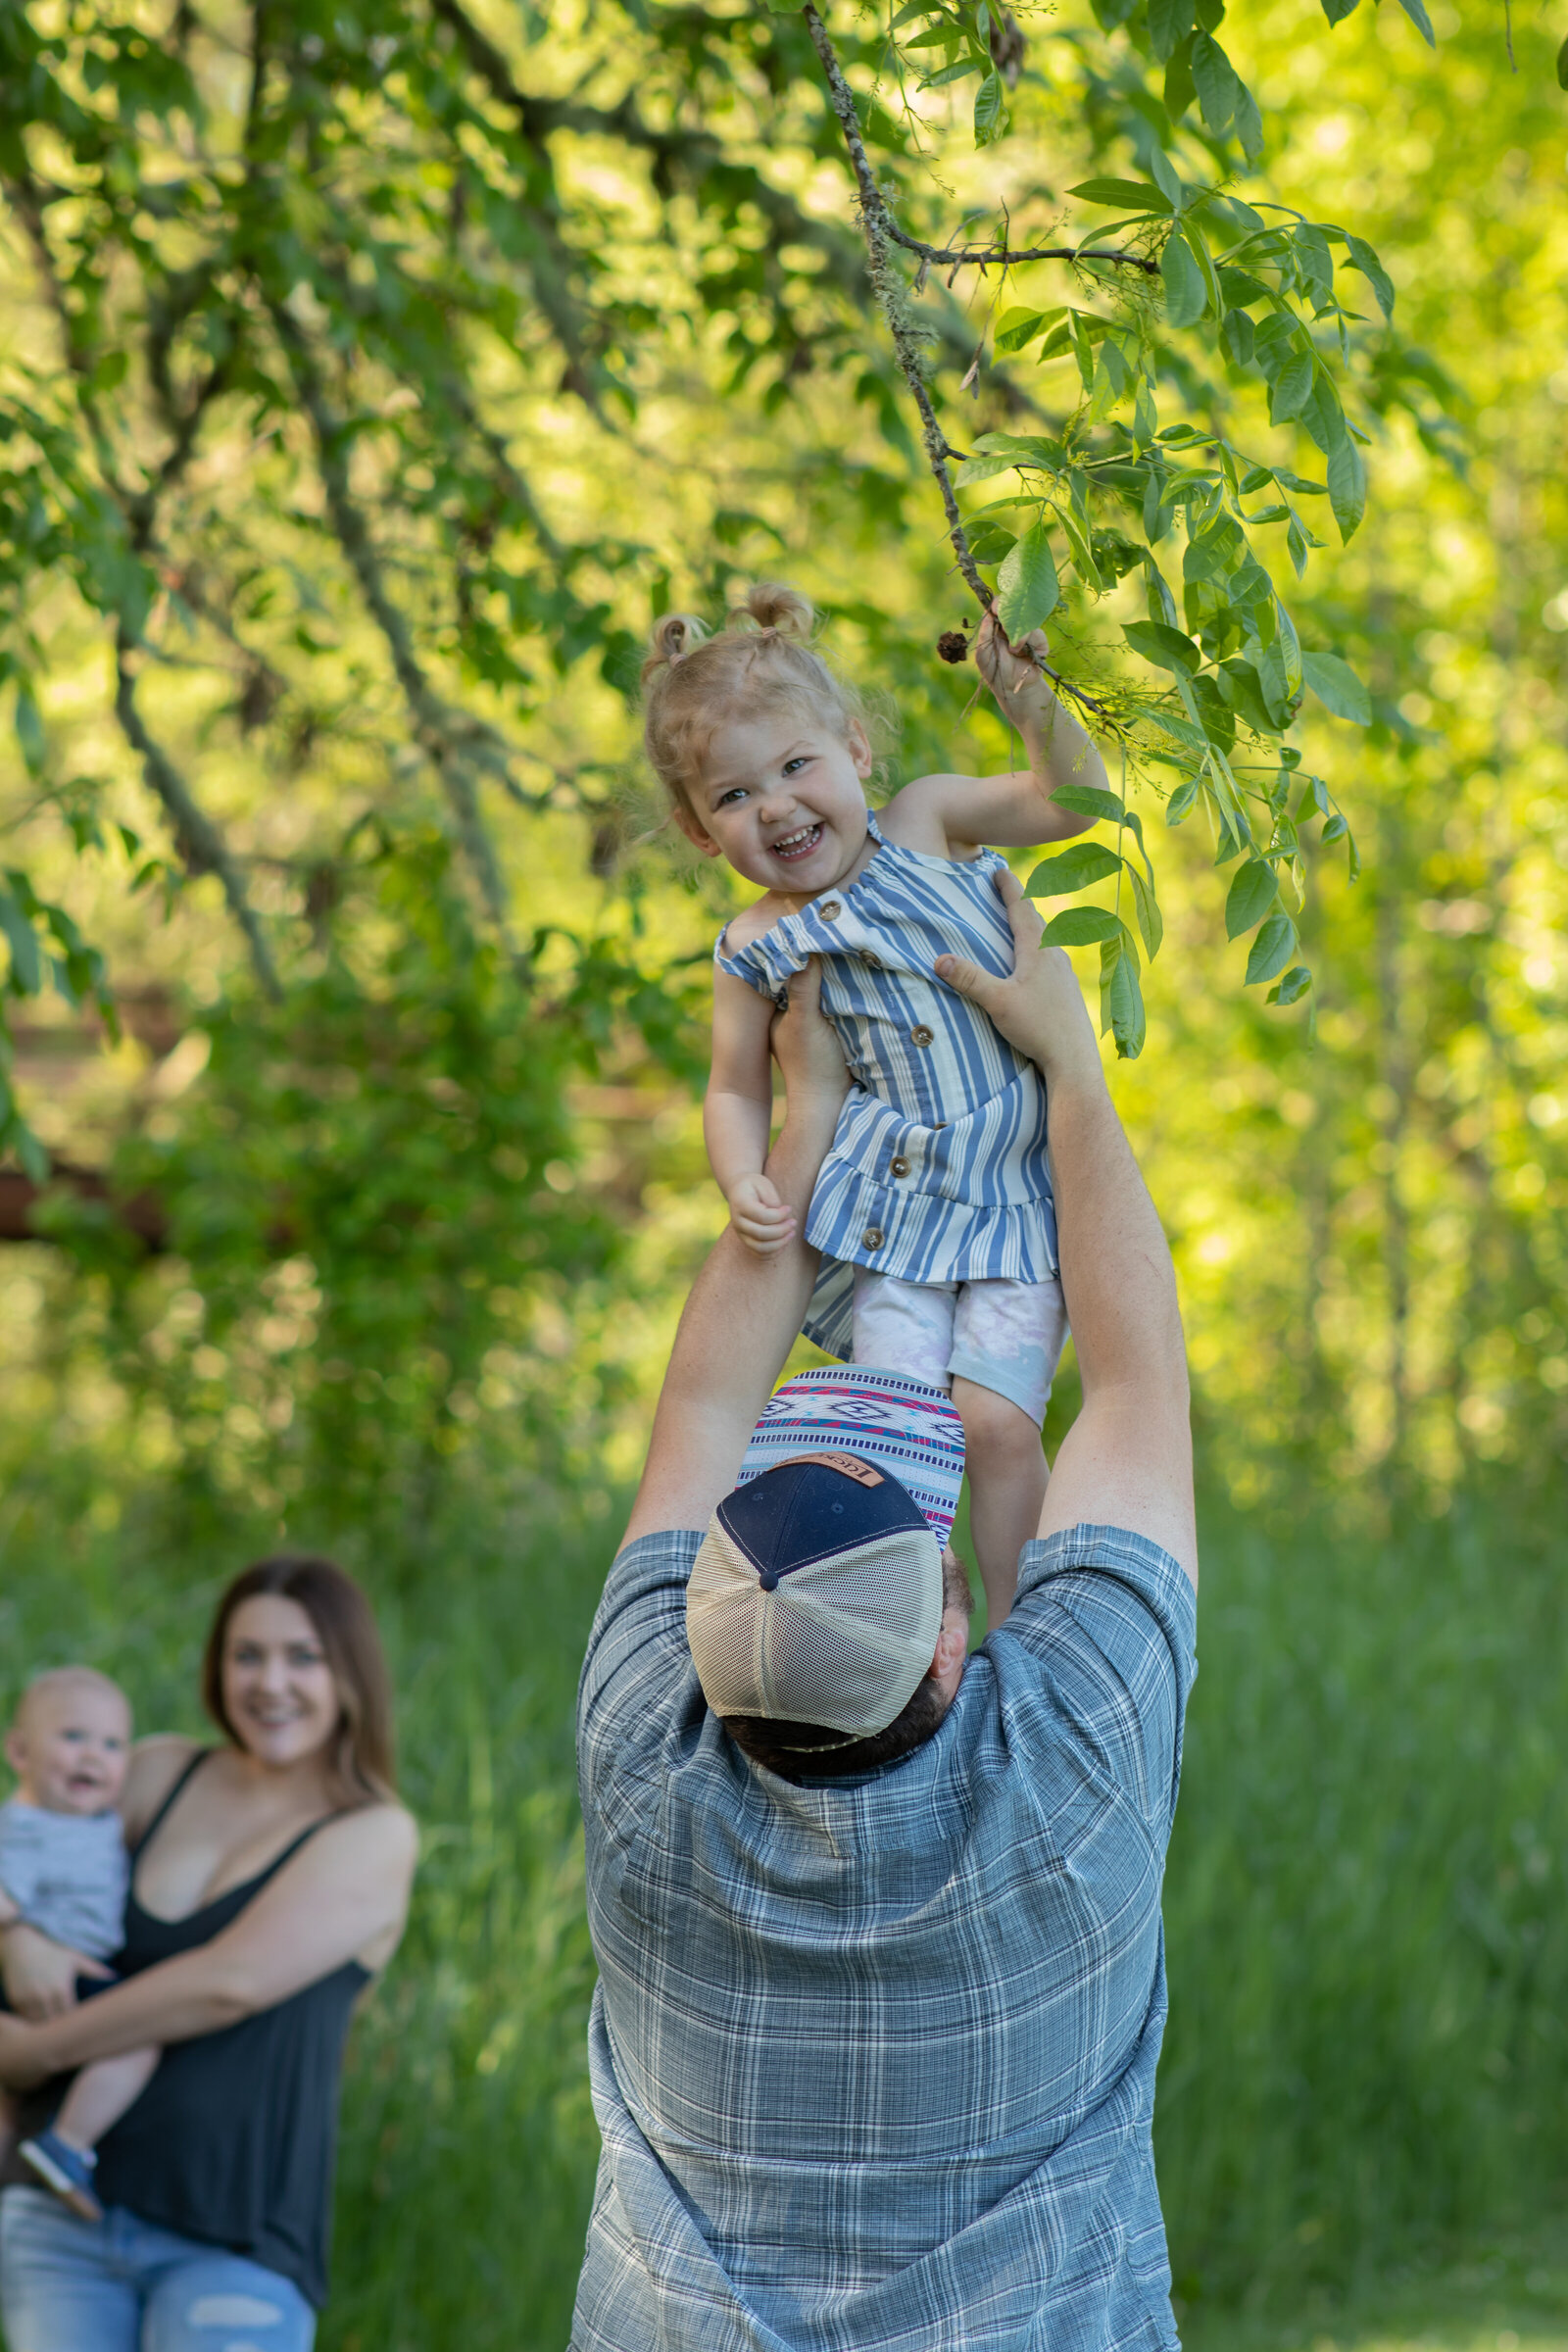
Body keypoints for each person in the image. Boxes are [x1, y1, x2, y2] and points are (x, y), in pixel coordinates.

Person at [573, 877, 1198, 2351]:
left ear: (705, 1639)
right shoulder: (1074, 1770)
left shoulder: (637, 1761)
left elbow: (704, 1397)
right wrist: (1070, 1077)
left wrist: (806, 1121)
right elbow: (1136, 1384)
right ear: (943, 1634)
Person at [644, 583, 1108, 1618]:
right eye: (732, 796)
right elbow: (732, 1084)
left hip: (1014, 1198)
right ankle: (899, 1646)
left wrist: (1034, 711)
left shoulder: (929, 818)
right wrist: (741, 1177)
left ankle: (1023, 1633)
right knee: (891, 1434)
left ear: (855, 748)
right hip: (891, 1220)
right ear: (700, 830)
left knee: (993, 1424)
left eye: (795, 765)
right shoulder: (753, 947)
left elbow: (1073, 804)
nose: (773, 805)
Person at [0, 1556, 418, 2352]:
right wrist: (16, 1936)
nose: (270, 1683)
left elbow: (230, 1981)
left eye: (303, 1656)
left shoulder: (373, 1834)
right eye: (246, 1654)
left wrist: (33, 2051)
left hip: (232, 2241)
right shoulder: (157, 1771)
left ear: (349, 1671)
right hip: (58, 2217)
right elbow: (31, 1848)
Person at [0, 1667, 160, 2218]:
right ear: (19, 1752)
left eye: (112, 1745)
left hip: (63, 1967)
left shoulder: (90, 1822)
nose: (93, 1756)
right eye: (72, 1737)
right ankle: (66, 2146)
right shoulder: (28, 1828)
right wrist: (18, 1936)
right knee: (140, 2035)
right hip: (50, 1970)